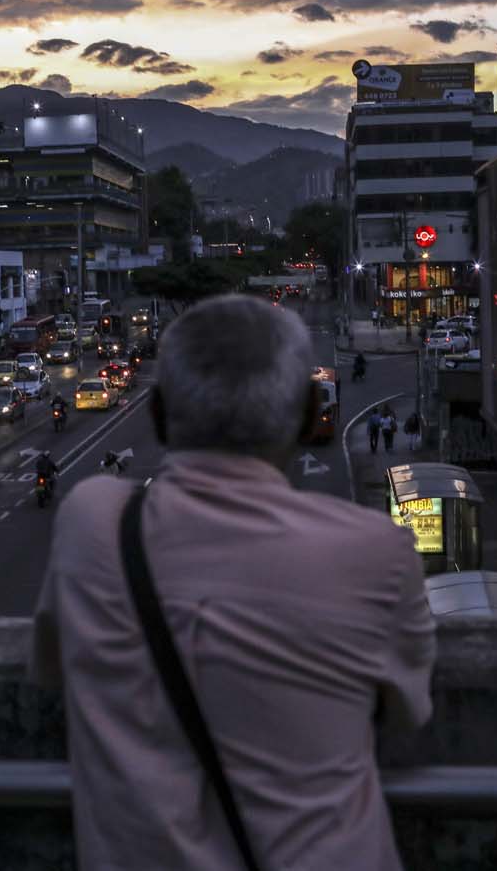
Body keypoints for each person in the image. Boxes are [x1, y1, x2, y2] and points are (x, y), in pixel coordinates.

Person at [32, 293, 434, 871]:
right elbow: (407, 712)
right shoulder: (379, 551)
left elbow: (50, 670)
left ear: (158, 414)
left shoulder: (90, 522)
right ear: (305, 415)